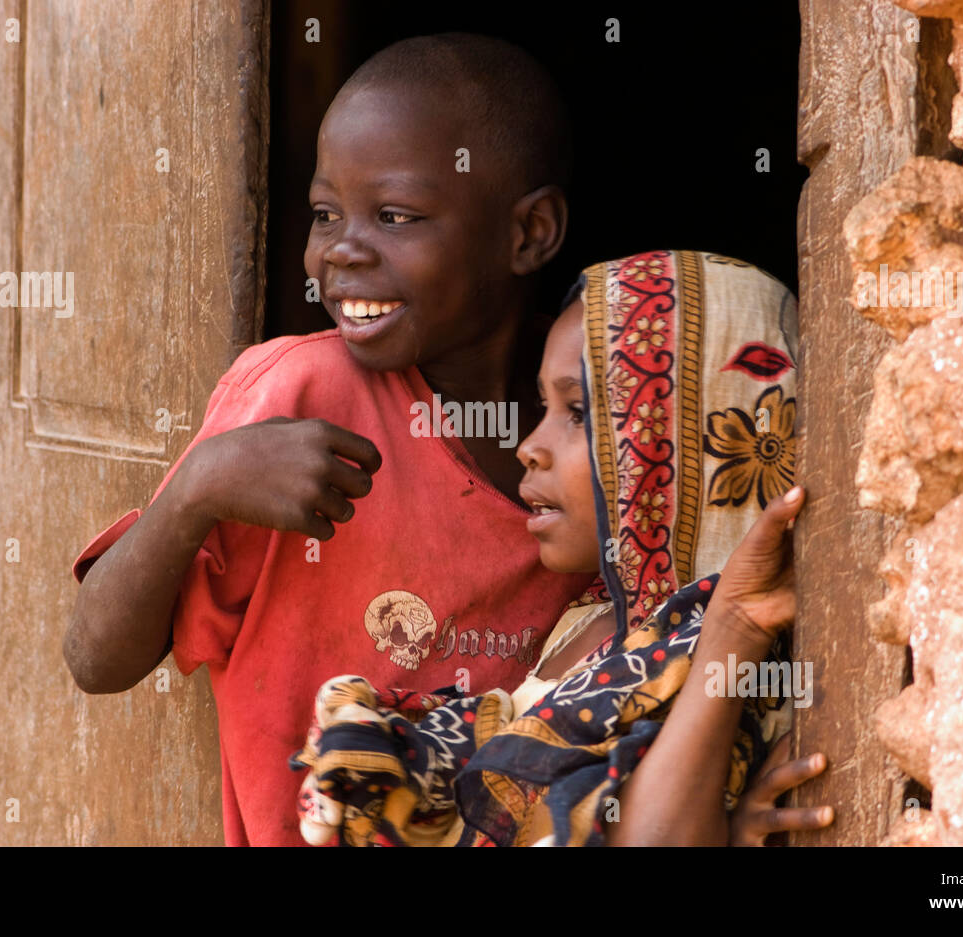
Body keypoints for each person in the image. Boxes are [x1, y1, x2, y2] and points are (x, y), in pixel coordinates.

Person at [62, 34, 596, 846]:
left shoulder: (593, 433)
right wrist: (200, 485)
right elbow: (95, 658)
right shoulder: (296, 400)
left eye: (394, 215)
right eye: (324, 213)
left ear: (529, 233)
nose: (340, 249)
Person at [293, 249, 834, 845]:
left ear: (684, 436)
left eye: (576, 413)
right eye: (544, 407)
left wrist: (734, 624)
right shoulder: (596, 619)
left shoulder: (740, 655)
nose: (530, 446)